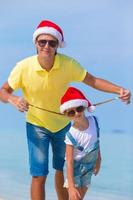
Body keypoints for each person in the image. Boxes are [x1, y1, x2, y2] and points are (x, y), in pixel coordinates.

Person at [0, 19, 131, 200]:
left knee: (62, 171)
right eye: (42, 42)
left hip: (64, 125)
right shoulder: (23, 67)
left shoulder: (68, 64)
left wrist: (119, 90)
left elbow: (93, 81)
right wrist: (13, 99)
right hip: (36, 125)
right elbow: (3, 91)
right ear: (36, 44)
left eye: (52, 42)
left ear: (57, 46)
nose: (46, 46)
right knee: (39, 174)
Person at [60, 87, 101, 200]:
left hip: (88, 168)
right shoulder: (71, 134)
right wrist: (71, 187)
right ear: (67, 115)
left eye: (79, 108)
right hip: (74, 170)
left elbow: (97, 142)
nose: (77, 113)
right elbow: (68, 161)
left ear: (85, 107)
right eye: (72, 112)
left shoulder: (94, 121)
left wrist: (99, 160)